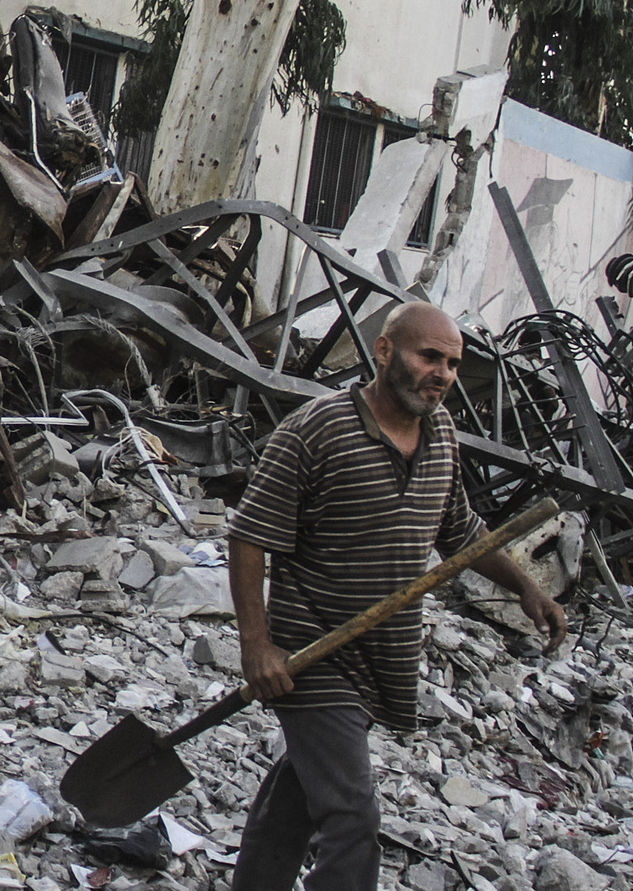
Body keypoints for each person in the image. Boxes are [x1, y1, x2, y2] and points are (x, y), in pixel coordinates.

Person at [227, 301, 567, 891]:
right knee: (352, 816)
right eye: (428, 356)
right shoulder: (315, 431)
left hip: (379, 656)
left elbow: (459, 535)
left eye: (454, 364)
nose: (442, 373)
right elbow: (250, 539)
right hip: (312, 652)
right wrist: (257, 645)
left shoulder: (441, 436)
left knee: (302, 793)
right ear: (384, 351)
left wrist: (528, 589)